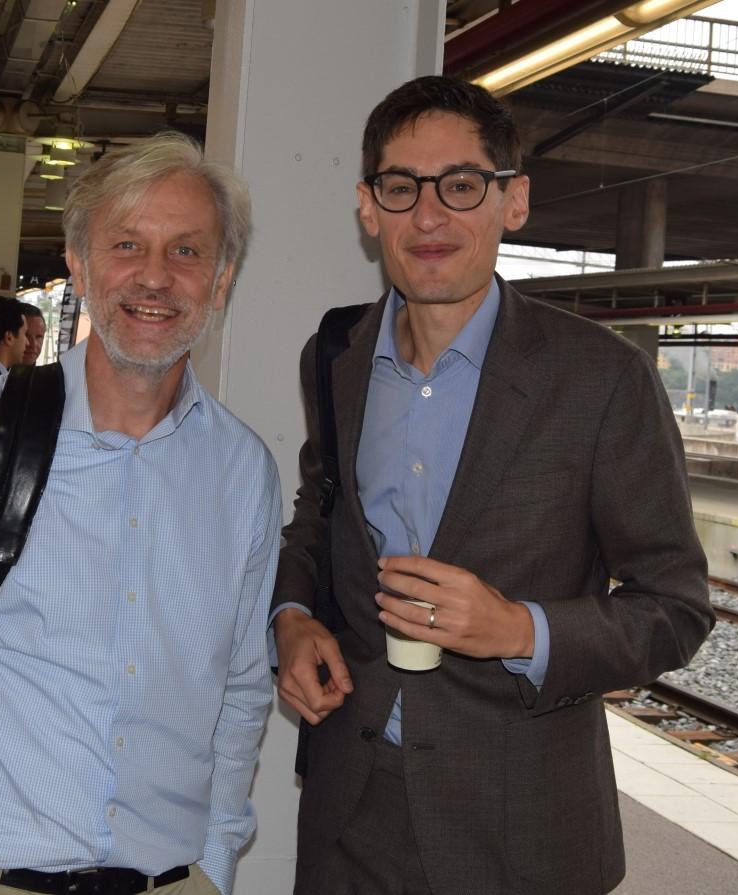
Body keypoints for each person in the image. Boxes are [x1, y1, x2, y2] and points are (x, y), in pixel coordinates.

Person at [272, 75, 714, 895]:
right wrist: (292, 617)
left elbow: (676, 607)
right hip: (349, 816)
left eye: (462, 184)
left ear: (513, 203)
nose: (429, 216)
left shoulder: (602, 380)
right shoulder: (334, 357)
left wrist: (519, 628)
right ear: (368, 208)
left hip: (521, 832)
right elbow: (316, 514)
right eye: (400, 188)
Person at [0, 133, 280, 895]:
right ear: (80, 263)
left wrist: (218, 862)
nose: (155, 277)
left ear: (222, 279)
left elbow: (238, 692)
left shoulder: (243, 473)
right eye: (127, 244)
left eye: (188, 252)